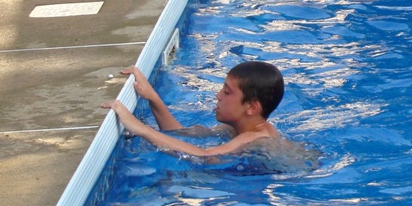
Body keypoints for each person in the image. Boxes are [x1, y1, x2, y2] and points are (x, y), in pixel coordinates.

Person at [102, 61, 284, 158]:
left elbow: (203, 156)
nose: (218, 96)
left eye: (227, 92)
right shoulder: (234, 129)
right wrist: (152, 98)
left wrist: (141, 129)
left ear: (251, 107)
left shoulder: (255, 138)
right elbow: (179, 134)